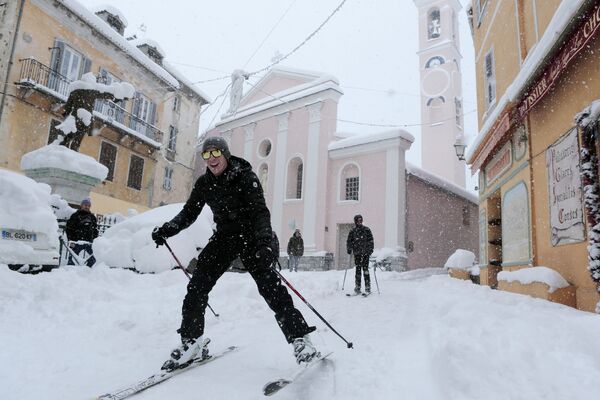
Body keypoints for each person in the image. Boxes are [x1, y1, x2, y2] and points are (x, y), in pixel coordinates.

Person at [152, 136, 319, 370]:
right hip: (225, 238)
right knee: (197, 285)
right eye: (206, 154)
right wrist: (168, 229)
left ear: (226, 154)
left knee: (270, 288)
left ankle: (301, 339)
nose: (211, 159)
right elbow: (189, 213)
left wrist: (265, 245)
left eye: (216, 153)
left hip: (251, 237)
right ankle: (191, 341)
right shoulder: (204, 184)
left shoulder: (246, 177)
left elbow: (260, 212)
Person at [65, 197, 98, 267]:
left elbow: (95, 229)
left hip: (89, 242)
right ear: (81, 205)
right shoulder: (75, 215)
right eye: (85, 205)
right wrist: (71, 239)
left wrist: (94, 239)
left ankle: (87, 270)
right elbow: (69, 228)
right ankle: (70, 271)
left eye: (88, 205)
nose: (87, 206)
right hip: (77, 241)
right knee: (72, 259)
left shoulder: (92, 217)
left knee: (94, 256)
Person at [346, 214, 374, 295]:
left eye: (361, 220)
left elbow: (371, 240)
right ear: (355, 221)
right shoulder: (352, 231)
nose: (360, 222)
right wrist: (349, 248)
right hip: (357, 253)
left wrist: (370, 250)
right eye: (358, 220)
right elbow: (349, 241)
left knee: (365, 270)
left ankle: (367, 287)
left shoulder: (367, 230)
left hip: (365, 253)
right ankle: (358, 287)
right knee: (358, 270)